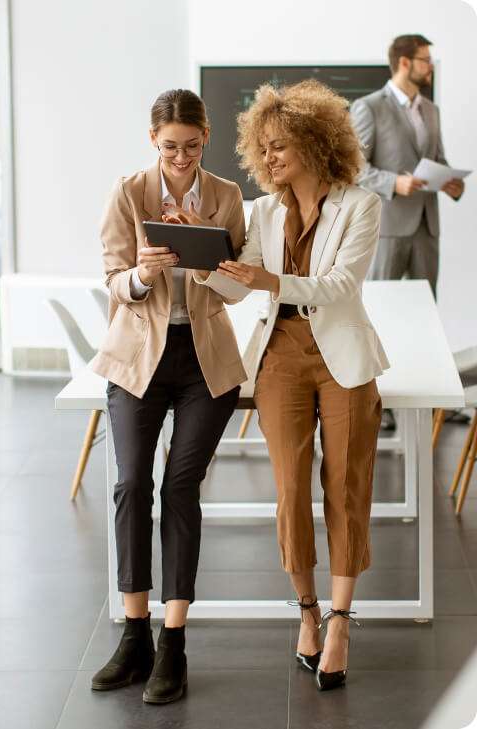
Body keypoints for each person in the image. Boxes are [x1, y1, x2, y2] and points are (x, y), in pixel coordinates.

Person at [216, 80, 389, 691]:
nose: (268, 158)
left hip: (342, 355)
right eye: (261, 148)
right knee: (291, 488)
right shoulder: (262, 212)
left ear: (316, 143)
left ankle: (341, 620)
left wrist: (267, 278)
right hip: (279, 356)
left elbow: (340, 286)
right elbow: (242, 288)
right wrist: (208, 262)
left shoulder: (362, 206)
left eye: (279, 145)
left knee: (346, 484)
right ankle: (308, 612)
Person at [89, 88, 246, 704]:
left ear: (205, 138)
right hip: (138, 359)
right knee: (132, 484)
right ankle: (134, 635)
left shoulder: (228, 198)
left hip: (204, 360)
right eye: (169, 147)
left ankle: (173, 643)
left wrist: (205, 260)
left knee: (181, 485)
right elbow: (112, 280)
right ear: (153, 142)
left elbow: (237, 291)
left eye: (191, 145)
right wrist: (144, 273)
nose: (181, 157)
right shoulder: (128, 193)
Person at [351, 35, 464, 431]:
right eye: (424, 60)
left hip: (425, 226)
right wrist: (392, 183)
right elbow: (353, 169)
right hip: (388, 228)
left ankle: (423, 403)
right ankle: (377, 402)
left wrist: (451, 181)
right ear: (403, 62)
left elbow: (438, 160)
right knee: (380, 316)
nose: (429, 66)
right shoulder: (368, 108)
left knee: (424, 320)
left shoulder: (430, 110)